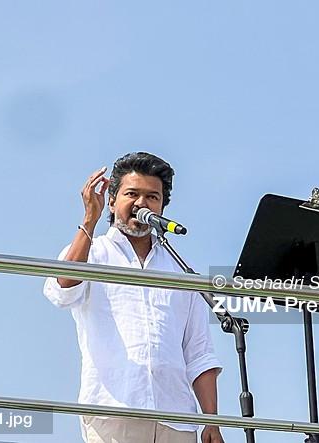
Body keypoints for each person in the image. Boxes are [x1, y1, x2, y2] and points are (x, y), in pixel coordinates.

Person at [43, 152, 224, 443]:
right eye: (132, 194)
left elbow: (199, 353)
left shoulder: (180, 268)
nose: (142, 203)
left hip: (177, 419)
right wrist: (89, 220)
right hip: (114, 411)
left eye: (153, 197)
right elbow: (62, 290)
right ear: (112, 201)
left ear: (162, 206)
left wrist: (211, 421)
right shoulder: (95, 252)